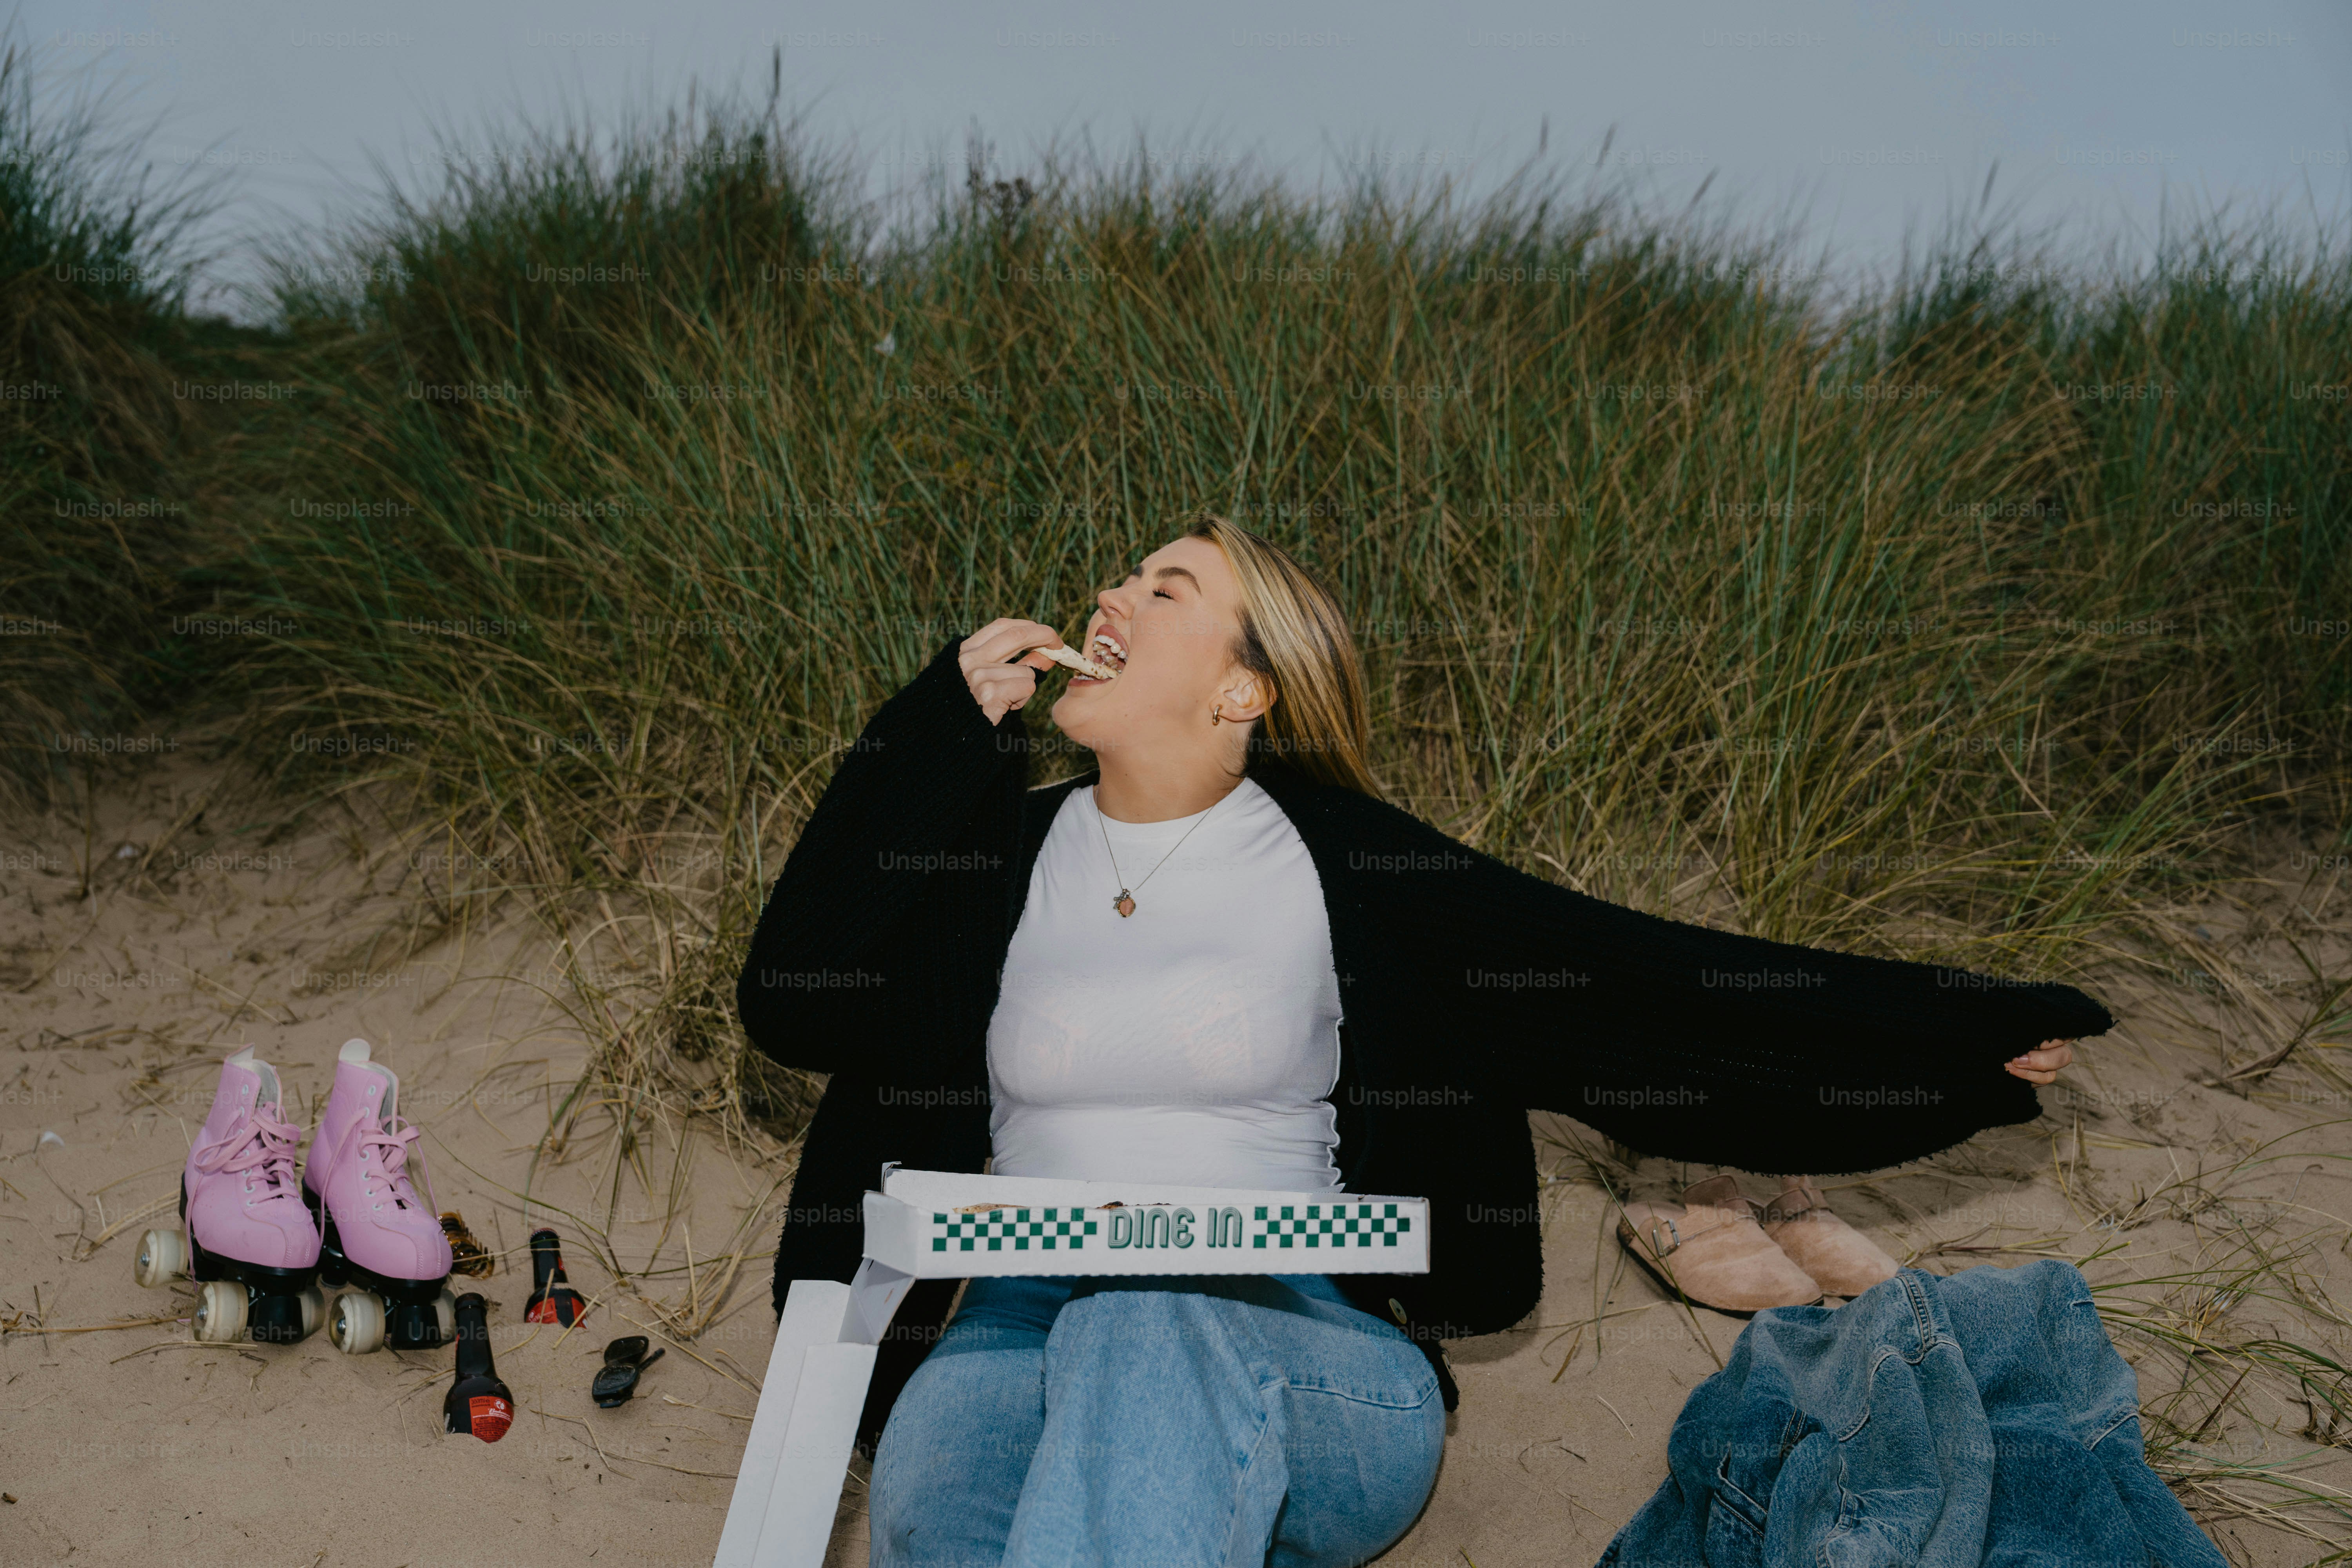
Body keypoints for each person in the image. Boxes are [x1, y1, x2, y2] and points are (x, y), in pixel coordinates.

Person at [735, 514, 2100, 1568]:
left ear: (1244, 692)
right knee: (947, 1494)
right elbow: (794, 998)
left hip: (1298, 1339)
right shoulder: (997, 858)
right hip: (1016, 1324)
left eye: (1168, 589)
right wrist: (931, 734)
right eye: (1126, 578)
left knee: (1146, 1321)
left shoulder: (1350, 870)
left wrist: (1948, 1036)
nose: (1114, 596)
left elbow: (1648, 988)